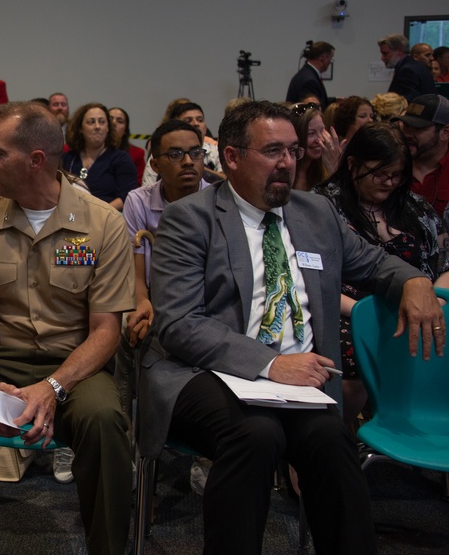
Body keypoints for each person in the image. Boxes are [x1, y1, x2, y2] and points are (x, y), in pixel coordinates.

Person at [140, 100, 445, 555]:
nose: (287, 162)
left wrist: (415, 281)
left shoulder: (315, 214)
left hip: (301, 383)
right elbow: (179, 324)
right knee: (256, 435)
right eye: (272, 151)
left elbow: (376, 263)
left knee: (331, 440)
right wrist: (270, 363)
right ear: (231, 157)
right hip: (205, 372)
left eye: (293, 151)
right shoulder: (193, 218)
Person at [0, 101, 134, 555]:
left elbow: (106, 332)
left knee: (103, 421)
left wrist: (53, 387)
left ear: (36, 160)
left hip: (76, 366)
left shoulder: (104, 224)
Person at [312, 122, 449, 428]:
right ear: (353, 165)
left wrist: (435, 299)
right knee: (353, 350)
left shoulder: (416, 209)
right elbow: (309, 278)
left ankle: (424, 431)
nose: (390, 182)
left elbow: (444, 264)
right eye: (380, 173)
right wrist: (365, 311)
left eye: (397, 175)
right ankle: (336, 439)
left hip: (418, 307)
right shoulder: (321, 207)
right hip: (345, 308)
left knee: (436, 330)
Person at [119, 120, 211, 416]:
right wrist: (143, 303)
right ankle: (126, 426)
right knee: (127, 330)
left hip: (204, 305)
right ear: (155, 164)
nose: (187, 162)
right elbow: (136, 271)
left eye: (195, 153)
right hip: (151, 297)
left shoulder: (219, 201)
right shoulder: (139, 201)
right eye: (175, 155)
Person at [62, 102, 138, 210]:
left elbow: (126, 196)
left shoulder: (121, 159)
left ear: (108, 128)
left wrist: (98, 214)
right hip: (71, 216)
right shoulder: (67, 159)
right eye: (91, 122)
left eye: (102, 122)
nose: (97, 126)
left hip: (108, 217)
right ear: (80, 128)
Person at [397, 94, 449, 216]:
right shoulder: (392, 165)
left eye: (418, 128)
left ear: (445, 132)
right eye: (406, 126)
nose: (408, 134)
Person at [292, 102, 341, 191]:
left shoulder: (323, 167)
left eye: (322, 131)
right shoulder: (287, 174)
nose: (320, 140)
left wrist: (334, 169)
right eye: (311, 133)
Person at [379, 34, 437, 102]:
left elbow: (407, 102)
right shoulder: (418, 66)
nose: (382, 58)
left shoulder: (407, 71)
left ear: (400, 50)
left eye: (385, 53)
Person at [286, 41, 334, 108]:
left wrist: (334, 100)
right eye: (330, 58)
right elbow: (312, 108)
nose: (330, 62)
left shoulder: (305, 74)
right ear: (322, 58)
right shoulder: (310, 81)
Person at [108, 106, 146, 184]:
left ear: (125, 130)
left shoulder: (137, 153)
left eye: (120, 121)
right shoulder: (93, 151)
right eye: (110, 119)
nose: (114, 123)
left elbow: (138, 186)